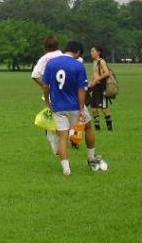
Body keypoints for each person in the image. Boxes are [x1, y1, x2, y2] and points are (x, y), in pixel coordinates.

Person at [42, 41, 102, 176]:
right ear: (78, 52)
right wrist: (81, 108)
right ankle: (91, 157)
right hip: (75, 105)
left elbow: (46, 86)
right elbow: (81, 89)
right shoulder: (78, 65)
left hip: (58, 106)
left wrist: (47, 101)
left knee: (63, 137)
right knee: (88, 127)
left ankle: (66, 169)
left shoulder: (51, 63)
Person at [31, 35, 63, 154]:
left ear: (46, 47)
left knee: (52, 121)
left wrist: (45, 86)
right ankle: (66, 140)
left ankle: (57, 148)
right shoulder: (64, 56)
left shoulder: (45, 58)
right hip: (67, 94)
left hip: (52, 95)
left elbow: (34, 75)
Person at [89, 45, 114, 131]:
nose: (91, 53)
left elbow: (107, 73)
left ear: (98, 52)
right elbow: (94, 75)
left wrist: (97, 80)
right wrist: (91, 84)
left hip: (101, 88)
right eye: (91, 51)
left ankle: (110, 129)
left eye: (93, 51)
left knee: (104, 108)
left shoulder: (101, 61)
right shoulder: (94, 62)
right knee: (93, 108)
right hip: (95, 88)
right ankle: (98, 129)